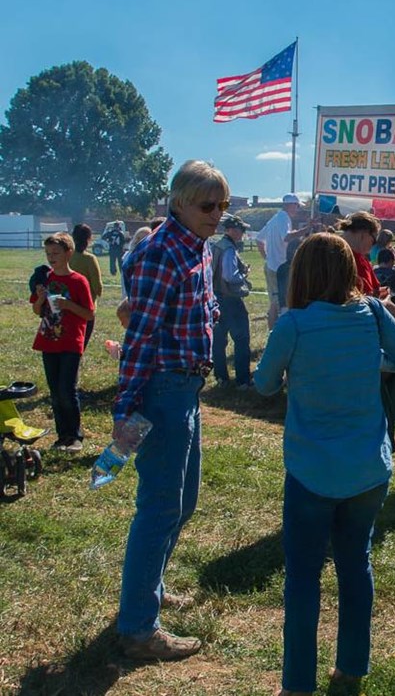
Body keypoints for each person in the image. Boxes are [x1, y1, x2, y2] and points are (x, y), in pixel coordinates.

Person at [253, 232, 395, 696]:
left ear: (300, 274)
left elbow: (264, 386)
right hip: (368, 467)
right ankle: (352, 666)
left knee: (303, 577)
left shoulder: (294, 325)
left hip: (312, 470)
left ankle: (296, 684)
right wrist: (371, 363)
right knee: (355, 563)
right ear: (350, 270)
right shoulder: (371, 311)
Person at [114, 159, 228, 660]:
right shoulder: (162, 251)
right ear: (178, 201)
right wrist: (125, 406)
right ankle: (139, 626)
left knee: (181, 503)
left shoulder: (196, 246)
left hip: (185, 389)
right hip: (162, 390)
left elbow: (197, 307)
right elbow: (138, 337)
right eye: (209, 205)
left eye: (223, 206)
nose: (218, 214)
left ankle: (149, 593)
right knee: (160, 507)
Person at [30, 232, 94, 451]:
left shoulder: (78, 281)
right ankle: (62, 436)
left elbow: (89, 314)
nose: (51, 257)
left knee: (67, 390)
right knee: (55, 393)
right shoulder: (45, 279)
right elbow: (37, 311)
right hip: (48, 341)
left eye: (55, 253)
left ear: (69, 253)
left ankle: (75, 436)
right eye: (48, 253)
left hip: (70, 343)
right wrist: (39, 298)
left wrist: (68, 305)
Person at [210, 214, 253, 389]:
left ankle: (221, 377)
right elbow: (229, 275)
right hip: (230, 299)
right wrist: (243, 276)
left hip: (217, 297)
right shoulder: (228, 248)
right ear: (232, 230)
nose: (243, 233)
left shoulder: (216, 245)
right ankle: (243, 379)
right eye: (241, 229)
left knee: (219, 340)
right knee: (242, 338)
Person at [258, 193, 310, 329]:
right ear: (290, 205)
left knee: (274, 301)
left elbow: (259, 239)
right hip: (278, 266)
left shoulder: (274, 219)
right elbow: (286, 237)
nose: (297, 209)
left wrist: (266, 257)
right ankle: (274, 332)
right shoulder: (283, 217)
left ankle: (273, 332)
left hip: (272, 264)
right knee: (278, 302)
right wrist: (306, 229)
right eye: (296, 205)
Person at [68, 224, 103, 347]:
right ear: (89, 238)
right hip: (86, 309)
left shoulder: (66, 257)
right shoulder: (90, 259)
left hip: (67, 307)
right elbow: (97, 288)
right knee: (80, 345)